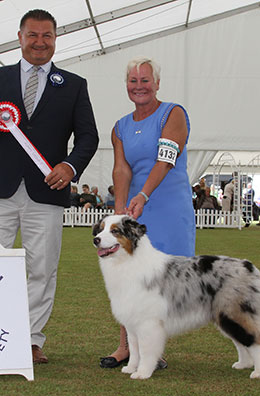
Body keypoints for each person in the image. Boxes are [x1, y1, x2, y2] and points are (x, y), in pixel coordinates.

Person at [0, 9, 99, 364]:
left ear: (55, 39)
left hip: (47, 192)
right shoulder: (0, 77)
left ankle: (29, 340)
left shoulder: (74, 85)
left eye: (47, 36)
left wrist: (70, 166)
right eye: (33, 35)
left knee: (42, 268)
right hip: (1, 190)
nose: (40, 42)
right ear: (20, 36)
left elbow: (88, 135)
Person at [99, 56, 195, 370]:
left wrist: (144, 194)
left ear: (157, 84)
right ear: (126, 85)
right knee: (126, 278)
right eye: (133, 81)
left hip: (167, 205)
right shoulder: (120, 127)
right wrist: (118, 215)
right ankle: (127, 347)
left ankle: (153, 349)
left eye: (145, 80)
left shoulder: (173, 113)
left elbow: (165, 159)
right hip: (133, 212)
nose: (139, 87)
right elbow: (121, 170)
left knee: (161, 282)